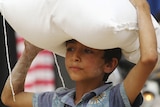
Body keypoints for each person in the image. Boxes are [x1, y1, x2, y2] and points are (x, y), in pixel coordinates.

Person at [1, 0, 158, 107]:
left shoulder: (116, 97)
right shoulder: (59, 100)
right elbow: (10, 98)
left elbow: (149, 59)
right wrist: (29, 54)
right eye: (70, 49)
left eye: (88, 51)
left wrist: (142, 7)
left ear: (109, 64)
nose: (75, 57)